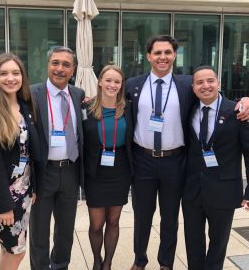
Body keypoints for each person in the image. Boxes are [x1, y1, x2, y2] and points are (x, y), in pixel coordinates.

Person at [125, 34, 249, 270]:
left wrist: (246, 100)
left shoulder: (187, 85)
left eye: (168, 52)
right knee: (142, 216)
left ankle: (166, 262)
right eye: (157, 53)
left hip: (175, 161)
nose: (163, 57)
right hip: (143, 160)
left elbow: (214, 97)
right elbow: (110, 99)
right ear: (149, 56)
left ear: (174, 56)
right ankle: (140, 260)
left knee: (170, 217)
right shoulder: (133, 85)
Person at [182, 65, 249, 270]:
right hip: (193, 189)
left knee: (218, 243)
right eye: (200, 82)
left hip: (224, 189)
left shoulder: (238, 112)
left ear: (218, 83)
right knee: (193, 241)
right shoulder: (188, 110)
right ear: (193, 87)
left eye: (210, 81)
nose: (206, 86)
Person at [0, 53, 40, 270]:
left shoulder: (25, 106)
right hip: (3, 195)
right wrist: (4, 206)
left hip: (23, 190)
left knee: (9, 248)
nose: (10, 78)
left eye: (15, 73)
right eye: (3, 73)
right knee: (17, 251)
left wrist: (32, 187)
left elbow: (29, 151)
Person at [29, 46, 84, 270]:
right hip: (44, 172)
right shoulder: (32, 93)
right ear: (48, 65)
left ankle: (60, 265)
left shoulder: (78, 95)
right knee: (39, 230)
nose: (60, 69)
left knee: (66, 228)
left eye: (66, 64)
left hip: (70, 170)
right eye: (55, 63)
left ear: (73, 70)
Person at [83, 65, 133, 270]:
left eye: (117, 81)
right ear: (100, 81)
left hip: (120, 169)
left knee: (113, 221)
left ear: (121, 85)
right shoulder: (85, 109)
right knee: (96, 224)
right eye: (108, 80)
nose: (112, 85)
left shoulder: (129, 108)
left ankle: (108, 263)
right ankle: (96, 260)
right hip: (95, 170)